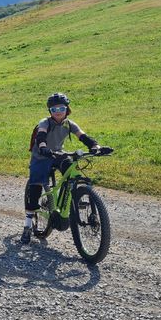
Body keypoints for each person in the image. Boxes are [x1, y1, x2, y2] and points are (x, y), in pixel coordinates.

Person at [20, 92, 102, 245]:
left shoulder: (69, 124)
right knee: (35, 186)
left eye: (61, 109)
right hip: (41, 156)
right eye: (54, 110)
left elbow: (82, 136)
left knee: (72, 170)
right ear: (50, 111)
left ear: (67, 109)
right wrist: (43, 147)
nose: (58, 112)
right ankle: (27, 226)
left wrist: (95, 146)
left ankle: (74, 197)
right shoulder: (45, 122)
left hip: (58, 154)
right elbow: (41, 136)